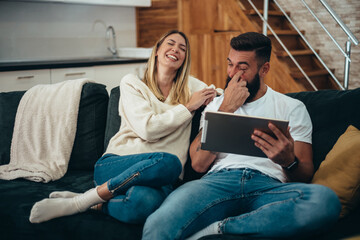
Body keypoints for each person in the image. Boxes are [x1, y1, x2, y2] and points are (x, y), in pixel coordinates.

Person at [142, 32, 341, 240]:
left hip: (269, 187)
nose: (232, 73)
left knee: (325, 201)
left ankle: (220, 229)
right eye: (230, 64)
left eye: (242, 68)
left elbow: (305, 173)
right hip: (217, 183)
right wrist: (227, 108)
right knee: (157, 224)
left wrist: (288, 161)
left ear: (264, 69)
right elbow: (199, 164)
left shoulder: (292, 108)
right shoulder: (218, 105)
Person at [29, 30, 217, 224]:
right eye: (170, 43)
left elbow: (219, 95)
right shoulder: (132, 84)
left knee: (143, 204)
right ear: (157, 51)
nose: (176, 49)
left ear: (185, 58)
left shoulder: (191, 87)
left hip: (159, 176)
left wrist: (217, 98)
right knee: (169, 162)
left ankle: (95, 202)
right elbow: (148, 129)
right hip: (118, 164)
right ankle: (79, 202)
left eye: (182, 48)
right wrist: (187, 108)